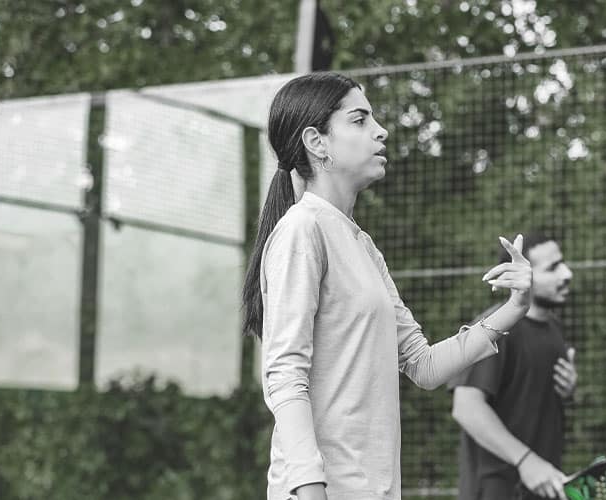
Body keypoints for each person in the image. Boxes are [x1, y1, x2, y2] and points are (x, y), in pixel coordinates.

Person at [241, 72, 537, 500]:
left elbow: (424, 366)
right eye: (360, 120)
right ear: (316, 142)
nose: (381, 131)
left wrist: (514, 308)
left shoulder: (362, 244)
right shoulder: (302, 230)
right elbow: (285, 375)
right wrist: (310, 490)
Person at [450, 232, 577, 500]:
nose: (567, 274)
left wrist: (568, 393)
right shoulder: (495, 327)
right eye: (553, 268)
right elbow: (466, 407)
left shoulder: (553, 328)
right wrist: (527, 461)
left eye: (562, 263)